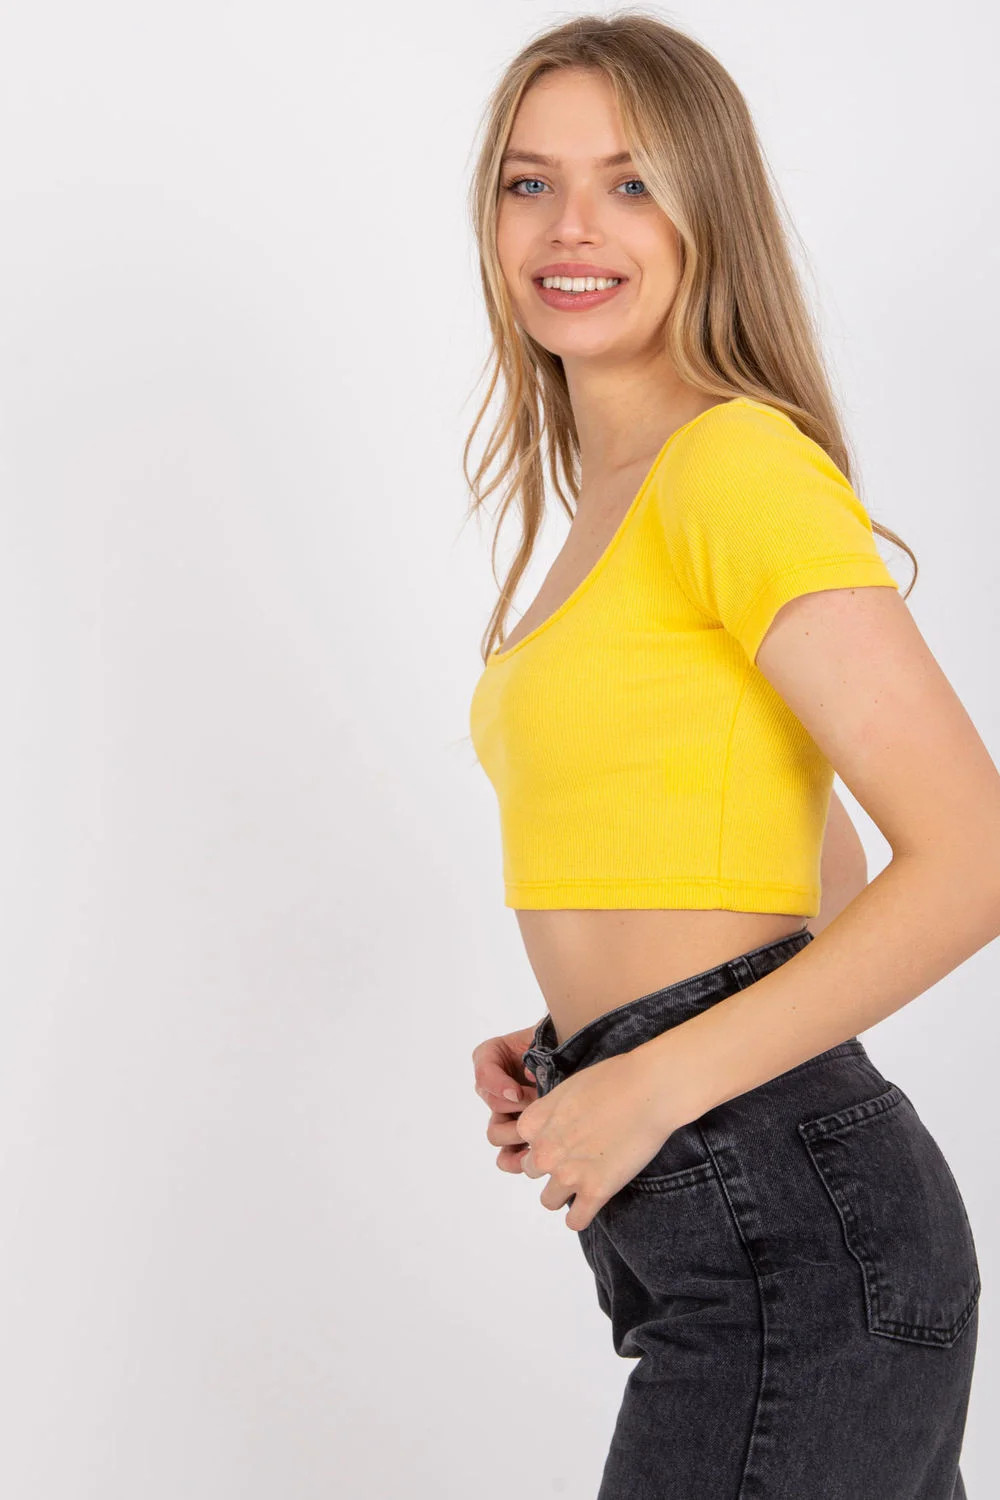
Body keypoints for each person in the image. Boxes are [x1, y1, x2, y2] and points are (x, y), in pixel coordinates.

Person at [464, 14, 993, 1500]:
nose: (571, 227)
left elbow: (974, 855)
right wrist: (584, 1034)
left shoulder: (733, 466)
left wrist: (653, 1074)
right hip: (745, 1225)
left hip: (789, 1243)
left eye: (632, 183)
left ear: (714, 214)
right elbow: (811, 862)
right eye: (529, 183)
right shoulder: (620, 497)